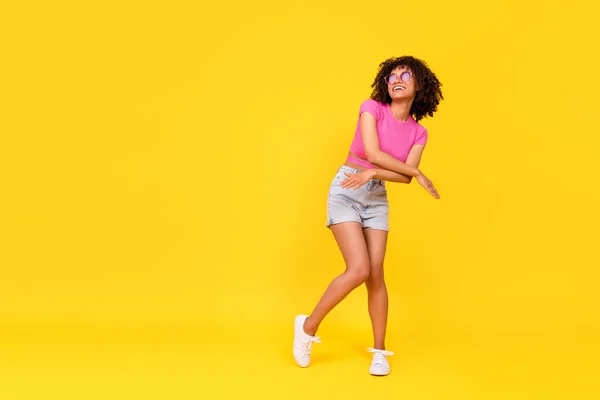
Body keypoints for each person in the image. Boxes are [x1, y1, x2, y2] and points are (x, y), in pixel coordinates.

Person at [293, 56, 444, 376]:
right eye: (391, 76)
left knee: (376, 273)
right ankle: (307, 327)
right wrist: (417, 171)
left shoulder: (419, 132)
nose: (396, 79)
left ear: (420, 84)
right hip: (347, 187)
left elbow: (398, 177)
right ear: (384, 84)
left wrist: (385, 173)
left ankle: (378, 351)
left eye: (405, 75)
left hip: (376, 196)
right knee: (359, 268)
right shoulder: (371, 108)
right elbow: (373, 154)